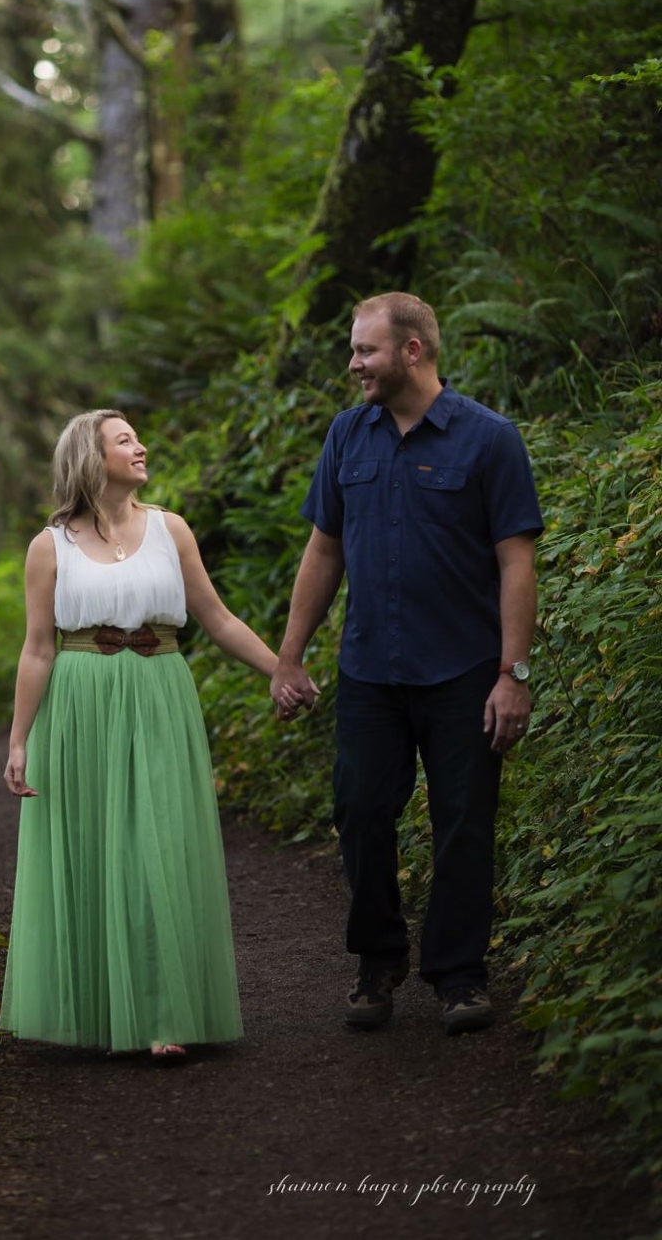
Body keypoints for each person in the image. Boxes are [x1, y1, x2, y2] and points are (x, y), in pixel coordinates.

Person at [271, 292, 541, 1035]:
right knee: (360, 813)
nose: (354, 364)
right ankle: (378, 960)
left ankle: (458, 976)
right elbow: (323, 550)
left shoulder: (489, 440)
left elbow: (517, 562)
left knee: (463, 823)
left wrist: (512, 677)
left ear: (412, 352)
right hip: (370, 672)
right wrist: (289, 658)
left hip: (463, 672)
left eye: (366, 351)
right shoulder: (346, 437)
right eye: (356, 351)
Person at [1, 409, 284, 1059]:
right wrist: (19, 741)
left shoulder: (170, 530)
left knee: (158, 839)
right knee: (101, 846)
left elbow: (215, 616)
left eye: (136, 437)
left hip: (160, 692)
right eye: (124, 440)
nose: (141, 446)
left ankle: (162, 1013)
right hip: (80, 700)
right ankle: (106, 1011)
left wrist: (282, 670)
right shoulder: (50, 547)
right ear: (89, 458)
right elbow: (37, 649)